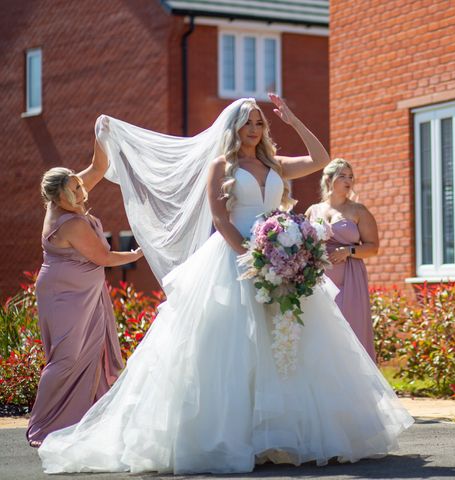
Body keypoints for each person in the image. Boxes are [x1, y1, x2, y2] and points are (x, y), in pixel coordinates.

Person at [37, 95, 414, 474]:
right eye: (248, 122)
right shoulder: (222, 166)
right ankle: (236, 435)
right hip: (238, 258)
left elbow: (319, 158)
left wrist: (294, 120)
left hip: (282, 257)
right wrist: (252, 257)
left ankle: (284, 434)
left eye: (260, 123)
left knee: (288, 341)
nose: (254, 129)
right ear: (233, 128)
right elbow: (220, 218)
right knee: (234, 347)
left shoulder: (275, 165)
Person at [26, 140, 144, 448]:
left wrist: (100, 133)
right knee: (66, 358)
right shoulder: (71, 222)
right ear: (58, 197)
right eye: (75, 190)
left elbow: (98, 168)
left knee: (90, 354)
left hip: (84, 294)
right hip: (65, 295)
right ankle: (42, 423)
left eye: (79, 186)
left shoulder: (64, 197)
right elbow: (103, 259)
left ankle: (80, 418)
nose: (82, 192)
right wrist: (138, 254)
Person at [306, 159, 378, 361]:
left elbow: (373, 247)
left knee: (348, 330)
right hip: (318, 281)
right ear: (329, 180)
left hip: (349, 281)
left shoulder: (358, 211)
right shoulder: (313, 210)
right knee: (320, 332)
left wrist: (348, 251)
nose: (348, 181)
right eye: (342, 176)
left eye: (350, 176)